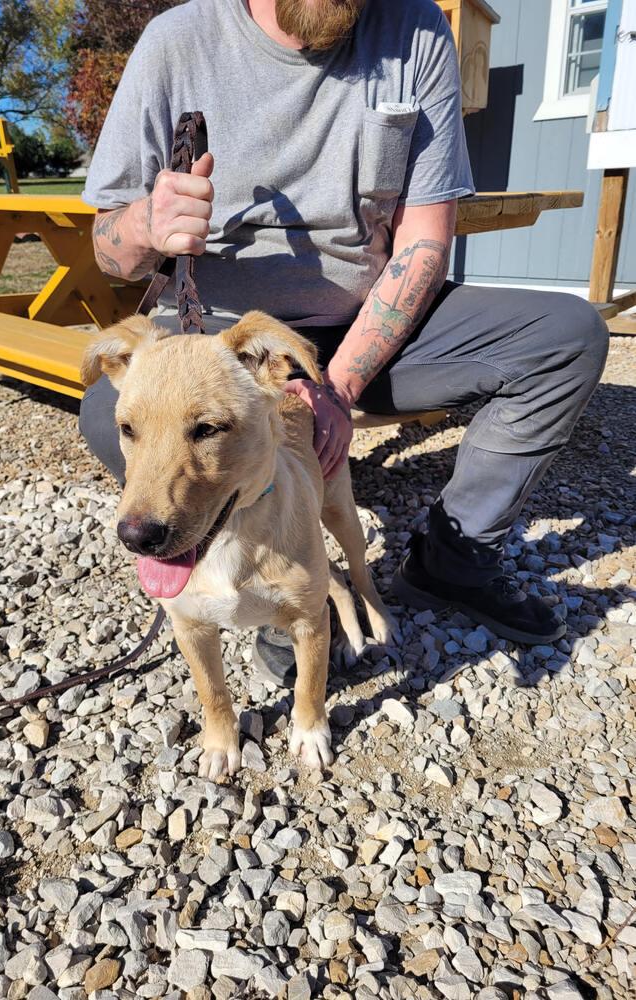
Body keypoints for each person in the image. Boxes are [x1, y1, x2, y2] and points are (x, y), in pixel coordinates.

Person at [79, 0, 609, 686]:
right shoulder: (176, 41)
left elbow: (423, 240)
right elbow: (108, 251)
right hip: (221, 332)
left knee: (565, 338)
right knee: (105, 413)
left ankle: (455, 554)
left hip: (371, 315)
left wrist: (339, 386)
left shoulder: (418, 29)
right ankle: (265, 576)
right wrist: (147, 225)